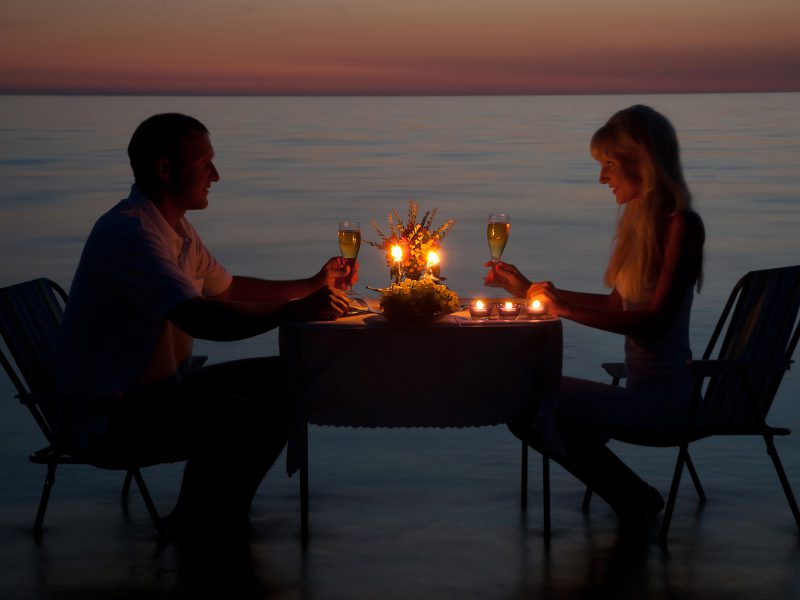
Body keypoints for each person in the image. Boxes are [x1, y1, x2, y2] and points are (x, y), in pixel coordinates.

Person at [57, 112, 356, 542]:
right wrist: (294, 312)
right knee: (239, 413)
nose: (215, 174)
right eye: (204, 163)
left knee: (287, 377)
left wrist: (311, 285)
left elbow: (228, 289)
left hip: (158, 391)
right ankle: (199, 524)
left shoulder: (175, 229)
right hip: (111, 413)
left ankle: (221, 512)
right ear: (164, 169)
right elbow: (201, 317)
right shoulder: (131, 236)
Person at [485, 105, 705, 534]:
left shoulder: (683, 225)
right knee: (523, 396)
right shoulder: (640, 226)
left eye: (608, 164)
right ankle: (633, 495)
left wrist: (562, 309)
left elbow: (656, 323)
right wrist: (532, 289)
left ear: (643, 159)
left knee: (527, 400)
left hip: (667, 404)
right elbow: (616, 306)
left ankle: (631, 498)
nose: (603, 178)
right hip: (640, 392)